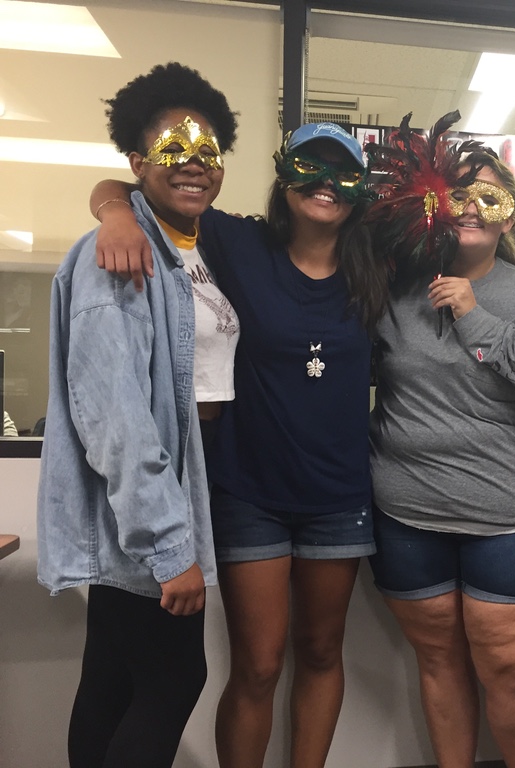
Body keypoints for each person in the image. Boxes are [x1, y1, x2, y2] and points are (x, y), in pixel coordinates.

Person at [91, 121, 389, 768]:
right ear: (285, 179)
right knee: (257, 664)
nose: (326, 185)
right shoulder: (240, 241)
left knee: (320, 653)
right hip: (250, 490)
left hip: (339, 496)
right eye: (310, 167)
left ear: (360, 189)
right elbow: (128, 185)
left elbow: (467, 250)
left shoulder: (377, 265)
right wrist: (115, 217)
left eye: (342, 172)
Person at [37, 62, 237, 767]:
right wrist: (166, 542)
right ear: (137, 161)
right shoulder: (115, 259)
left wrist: (114, 202)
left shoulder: (195, 246)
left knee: (114, 681)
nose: (193, 166)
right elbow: (113, 413)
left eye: (207, 152)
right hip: (147, 507)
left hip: (181, 489)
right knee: (175, 677)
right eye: (172, 150)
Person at [367, 147, 515, 768]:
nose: (473, 209)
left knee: (512, 672)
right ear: (433, 204)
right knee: (439, 660)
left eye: (491, 199)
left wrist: (476, 315)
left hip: (513, 515)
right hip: (407, 510)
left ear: (511, 218)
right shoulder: (392, 285)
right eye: (460, 195)